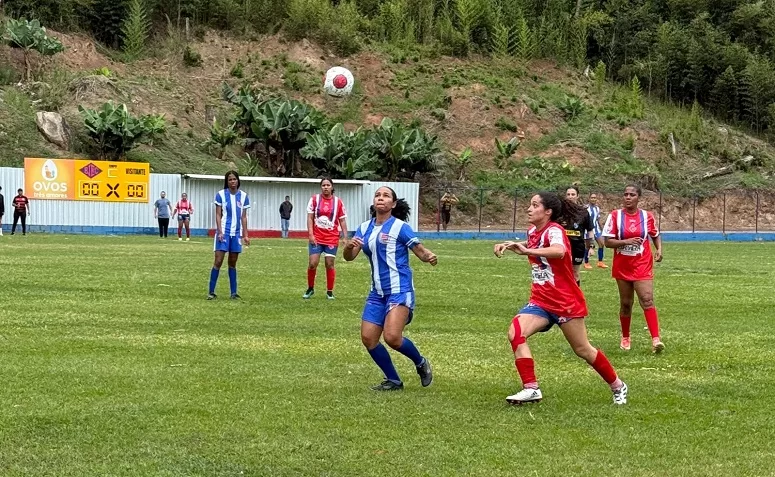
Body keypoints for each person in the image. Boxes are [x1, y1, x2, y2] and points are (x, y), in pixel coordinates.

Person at [493, 192, 628, 405]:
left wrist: (527, 249)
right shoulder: (533, 231)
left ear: (548, 212)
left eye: (534, 205)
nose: (529, 209)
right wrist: (512, 244)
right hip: (540, 301)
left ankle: (618, 385)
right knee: (516, 333)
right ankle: (531, 388)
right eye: (530, 204)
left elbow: (559, 250)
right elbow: (533, 245)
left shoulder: (555, 230)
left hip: (565, 302)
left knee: (583, 349)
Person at [343, 186, 437, 391]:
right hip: (377, 293)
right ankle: (393, 380)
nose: (381, 198)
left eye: (386, 196)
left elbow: (420, 251)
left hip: (400, 289)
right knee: (368, 338)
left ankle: (421, 362)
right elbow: (349, 258)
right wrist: (348, 247)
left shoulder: (400, 227)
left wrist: (429, 256)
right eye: (378, 195)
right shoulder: (364, 227)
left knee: (392, 337)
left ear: (393, 204)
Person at [602, 184, 664, 353]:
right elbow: (607, 242)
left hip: (642, 264)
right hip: (622, 266)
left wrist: (659, 249)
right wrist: (625, 242)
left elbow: (655, 234)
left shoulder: (647, 216)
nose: (628, 197)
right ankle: (625, 337)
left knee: (647, 299)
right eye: (625, 194)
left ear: (638, 198)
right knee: (626, 304)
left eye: (632, 195)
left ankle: (656, 340)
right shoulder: (615, 216)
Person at [208, 171, 250, 300]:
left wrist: (245, 235)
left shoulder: (243, 196)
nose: (232, 181)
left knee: (232, 262)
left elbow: (243, 217)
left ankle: (233, 293)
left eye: (234, 179)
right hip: (224, 233)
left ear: (238, 181)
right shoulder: (221, 195)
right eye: (230, 179)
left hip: (236, 234)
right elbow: (218, 214)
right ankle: (211, 292)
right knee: (218, 261)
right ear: (227, 181)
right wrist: (220, 231)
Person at [304, 178, 347, 300]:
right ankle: (310, 288)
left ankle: (329, 292)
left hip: (331, 238)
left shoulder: (338, 202)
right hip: (317, 237)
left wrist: (344, 236)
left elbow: (342, 220)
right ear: (321, 187)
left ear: (332, 187)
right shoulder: (314, 199)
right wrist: (311, 234)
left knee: (329, 264)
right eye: (323, 185)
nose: (326, 187)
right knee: (313, 264)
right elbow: (310, 218)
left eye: (328, 185)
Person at [558, 186, 594, 285]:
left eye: (573, 194)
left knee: (575, 273)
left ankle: (575, 298)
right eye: (568, 194)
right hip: (562, 246)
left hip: (578, 246)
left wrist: (591, 246)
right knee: (561, 272)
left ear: (577, 196)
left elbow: (590, 230)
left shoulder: (583, 212)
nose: (570, 196)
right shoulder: (559, 212)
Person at [584, 192, 608, 269]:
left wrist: (602, 229)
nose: (593, 199)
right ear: (589, 199)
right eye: (592, 197)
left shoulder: (597, 208)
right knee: (587, 246)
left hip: (596, 229)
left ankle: (600, 262)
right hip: (587, 229)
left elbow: (598, 220)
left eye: (594, 198)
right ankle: (586, 263)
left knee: (601, 243)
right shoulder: (585, 208)